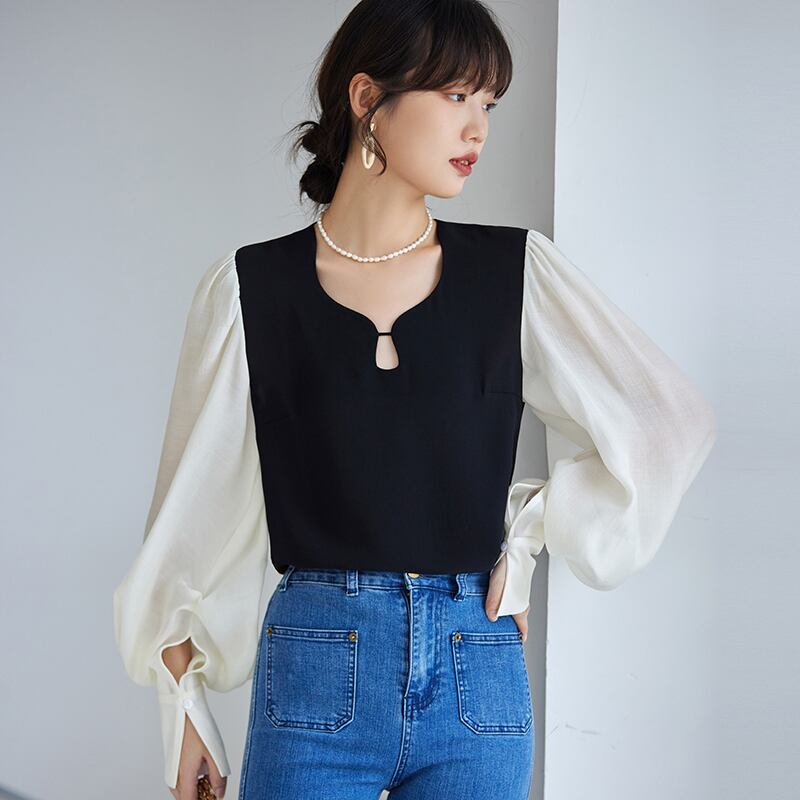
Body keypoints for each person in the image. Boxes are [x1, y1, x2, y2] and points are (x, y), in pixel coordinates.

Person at [112, 1, 717, 798]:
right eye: (456, 95)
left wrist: (530, 534)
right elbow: (191, 510)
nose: (478, 129)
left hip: (477, 666)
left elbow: (669, 422)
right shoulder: (250, 291)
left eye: (489, 104)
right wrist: (183, 704)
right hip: (317, 669)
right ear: (368, 98)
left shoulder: (516, 275)